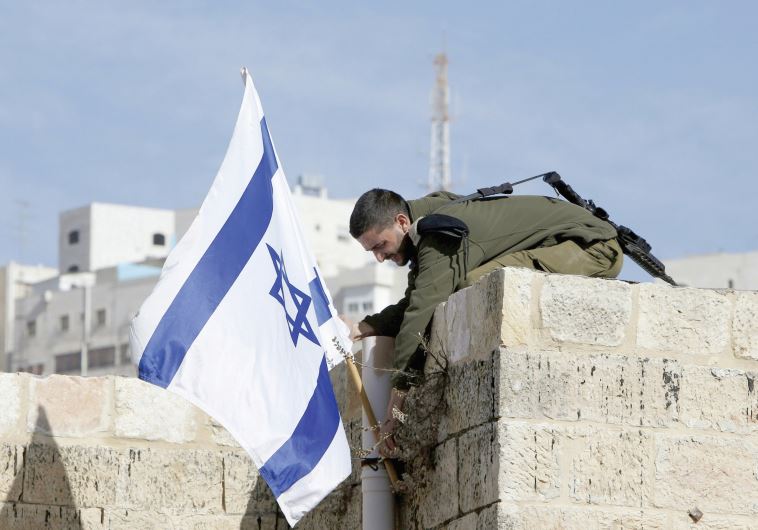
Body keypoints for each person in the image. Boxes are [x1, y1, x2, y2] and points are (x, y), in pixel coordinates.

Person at [349, 188, 623, 456]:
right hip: (573, 241)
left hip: (594, 248)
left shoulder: (437, 237)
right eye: (372, 251)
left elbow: (420, 314)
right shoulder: (428, 223)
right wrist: (363, 326)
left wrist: (395, 406)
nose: (379, 257)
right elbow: (417, 299)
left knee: (471, 284)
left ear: (401, 222)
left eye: (380, 245)